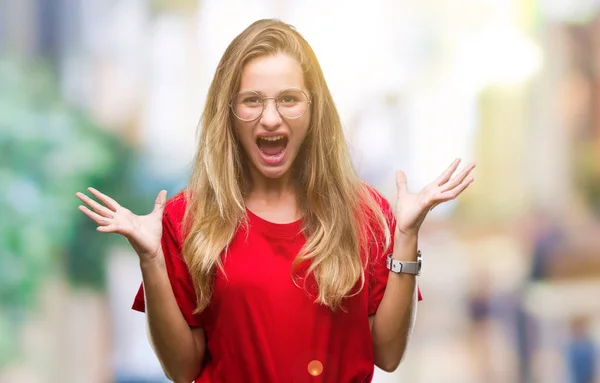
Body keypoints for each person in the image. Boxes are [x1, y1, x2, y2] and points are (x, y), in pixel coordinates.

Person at [76, 19, 475, 383]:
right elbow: (183, 369)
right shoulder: (187, 218)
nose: (270, 118)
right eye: (252, 100)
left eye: (288, 99)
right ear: (228, 112)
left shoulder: (367, 214)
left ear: (314, 109)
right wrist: (151, 261)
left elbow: (387, 355)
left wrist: (406, 236)